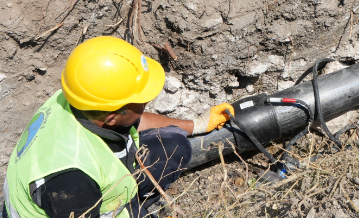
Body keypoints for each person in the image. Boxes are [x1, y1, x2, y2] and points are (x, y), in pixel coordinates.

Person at [3, 36, 234, 218]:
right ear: (112, 117)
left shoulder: (80, 98)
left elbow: (135, 119)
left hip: (87, 184)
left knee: (174, 145)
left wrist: (198, 124)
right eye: (141, 100)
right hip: (69, 203)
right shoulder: (72, 183)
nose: (147, 102)